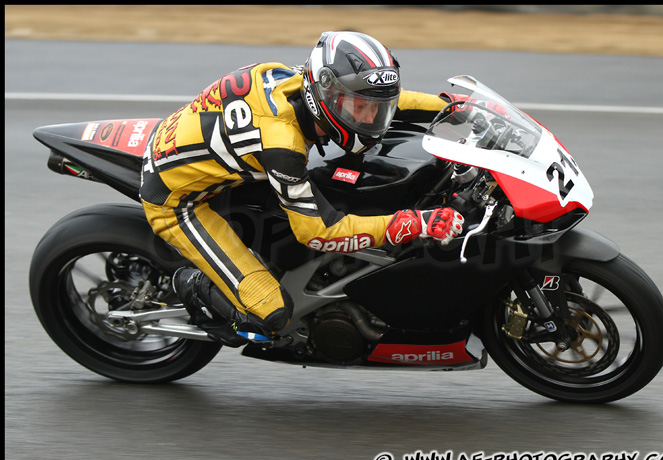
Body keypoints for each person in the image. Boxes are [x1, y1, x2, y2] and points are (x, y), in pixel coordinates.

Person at [140, 31, 465, 347]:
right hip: (178, 201)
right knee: (269, 317)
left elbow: (388, 98)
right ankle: (196, 286)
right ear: (326, 93)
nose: (370, 118)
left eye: (375, 108)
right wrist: (414, 223)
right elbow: (319, 232)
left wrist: (452, 107)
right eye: (359, 108)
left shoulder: (312, 82)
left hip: (218, 153)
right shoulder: (283, 143)